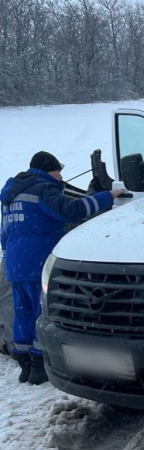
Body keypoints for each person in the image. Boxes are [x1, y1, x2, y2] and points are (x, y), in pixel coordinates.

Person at [0, 151, 124, 384]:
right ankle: (39, 365)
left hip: (15, 264)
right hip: (38, 261)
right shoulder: (42, 189)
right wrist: (107, 196)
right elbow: (71, 210)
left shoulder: (11, 194)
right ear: (49, 170)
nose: (60, 176)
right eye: (58, 171)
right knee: (41, 312)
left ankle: (24, 364)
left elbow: (5, 233)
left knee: (23, 312)